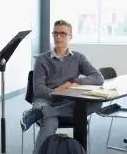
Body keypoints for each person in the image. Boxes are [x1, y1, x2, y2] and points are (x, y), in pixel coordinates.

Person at [20, 20, 104, 154]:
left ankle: (43, 113)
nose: (58, 37)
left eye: (63, 34)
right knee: (50, 121)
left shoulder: (78, 58)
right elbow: (38, 90)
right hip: (45, 100)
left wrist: (73, 81)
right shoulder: (42, 59)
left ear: (70, 36)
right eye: (55, 33)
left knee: (98, 104)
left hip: (67, 101)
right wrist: (56, 92)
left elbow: (99, 78)